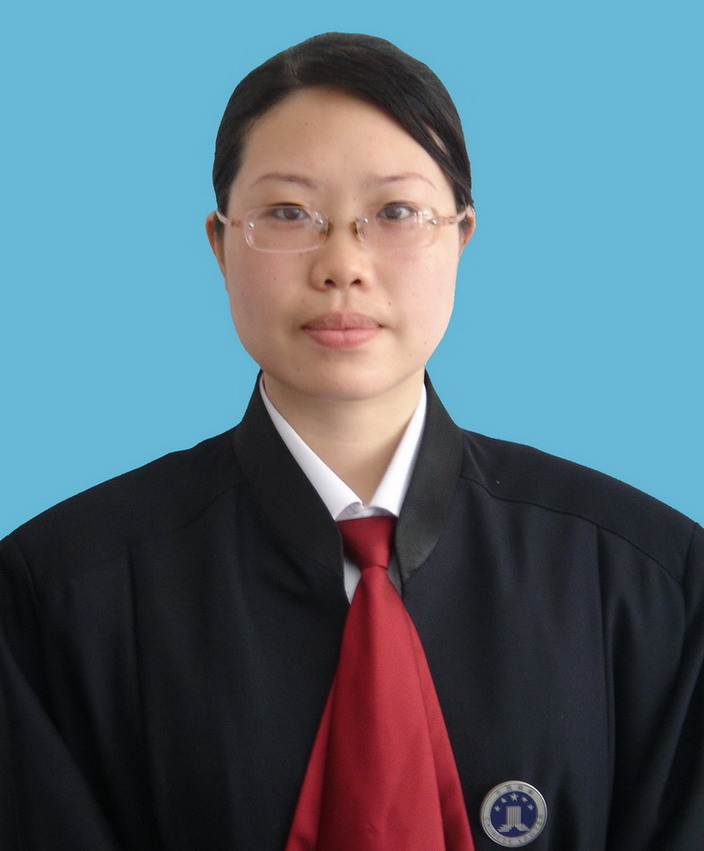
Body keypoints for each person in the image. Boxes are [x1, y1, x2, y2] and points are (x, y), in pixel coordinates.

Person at [1, 32, 702, 851]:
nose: (342, 264)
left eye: (396, 213)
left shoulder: (650, 583)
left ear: (461, 236)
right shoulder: (56, 598)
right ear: (219, 243)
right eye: (288, 213)